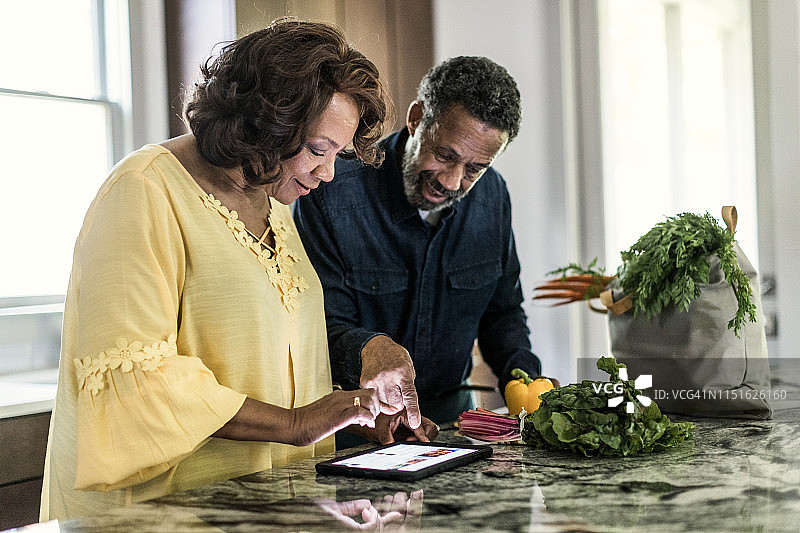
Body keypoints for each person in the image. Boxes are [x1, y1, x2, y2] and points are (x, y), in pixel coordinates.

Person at [41, 19, 437, 522]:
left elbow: (272, 362)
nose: (329, 172)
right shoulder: (142, 192)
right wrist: (296, 424)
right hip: (160, 515)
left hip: (264, 507)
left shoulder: (272, 203)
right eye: (318, 150)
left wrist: (353, 417)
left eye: (337, 154)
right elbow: (140, 379)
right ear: (265, 122)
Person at [294, 56, 555, 439]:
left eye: (474, 169)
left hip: (455, 424)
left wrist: (528, 382)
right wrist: (371, 347)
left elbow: (503, 313)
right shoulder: (332, 192)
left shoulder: (493, 196)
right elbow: (319, 325)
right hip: (358, 427)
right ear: (416, 118)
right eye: (445, 155)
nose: (451, 182)